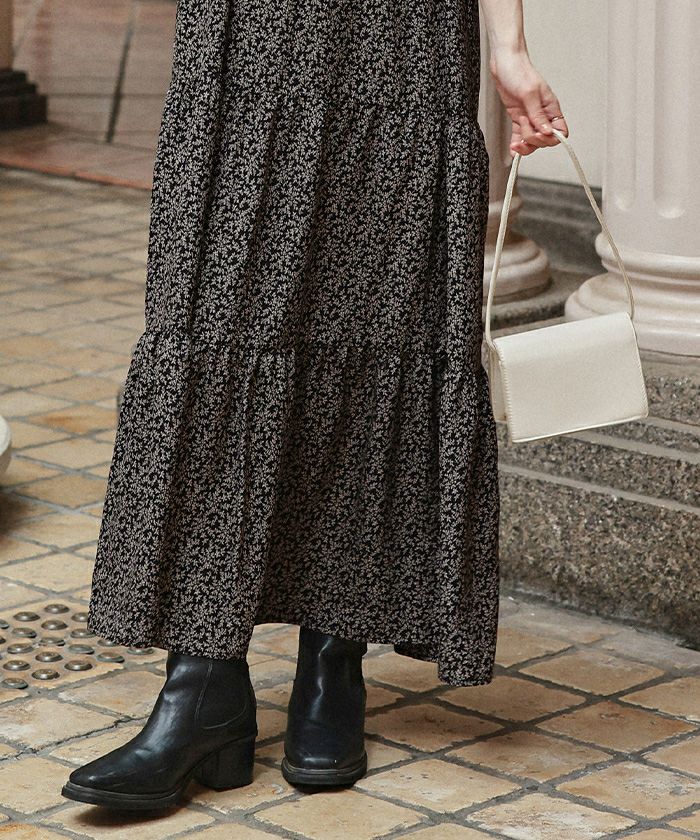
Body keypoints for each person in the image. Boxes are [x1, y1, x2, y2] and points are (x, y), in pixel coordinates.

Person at [61, 0, 568, 810]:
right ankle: (202, 683)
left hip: (403, 34)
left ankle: (333, 660)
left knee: (379, 318)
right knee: (218, 331)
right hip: (249, 28)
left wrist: (509, 45)